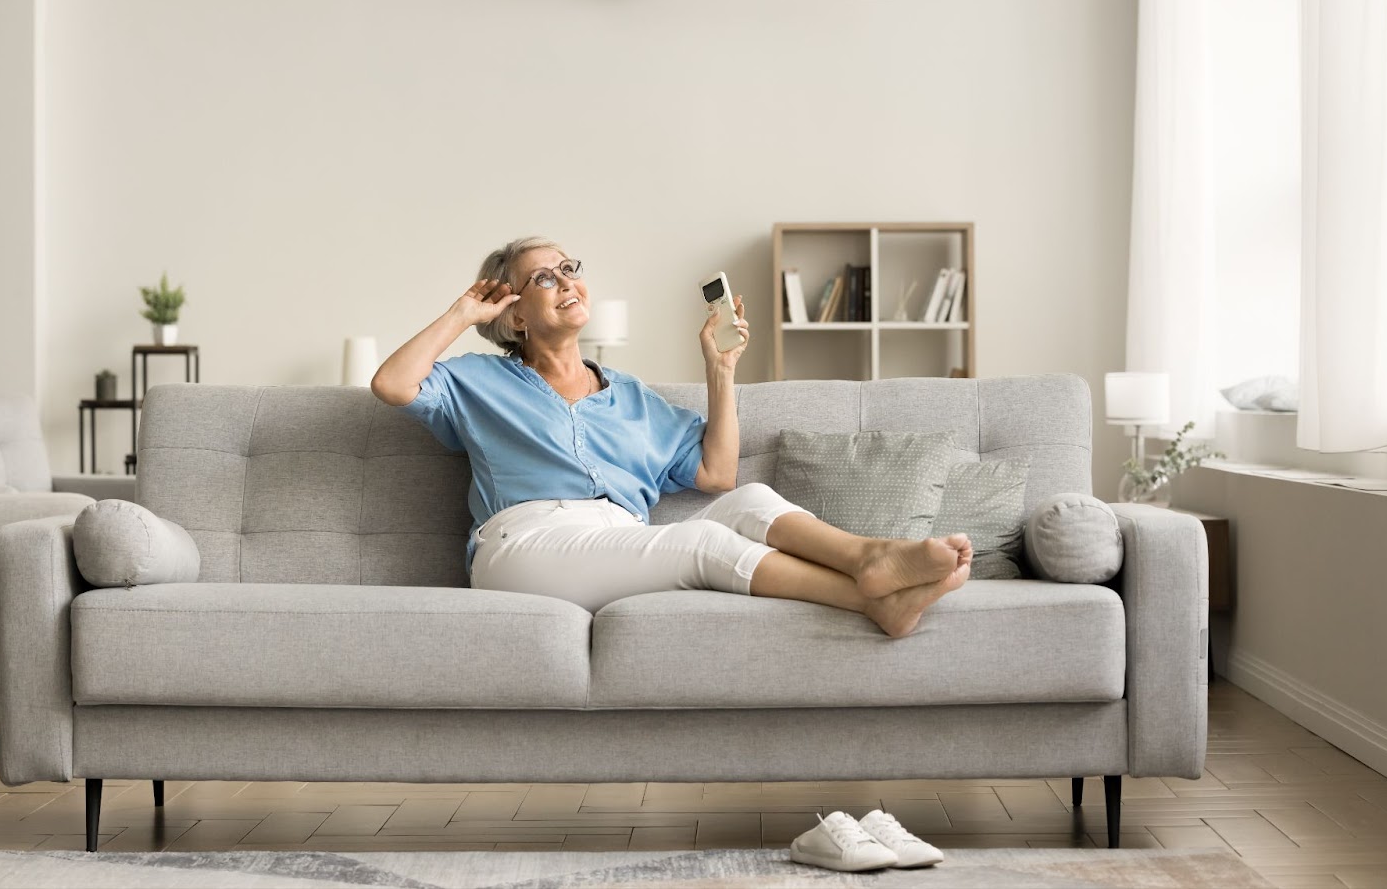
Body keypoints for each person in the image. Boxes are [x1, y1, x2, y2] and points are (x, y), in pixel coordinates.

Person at [370, 236, 971, 637]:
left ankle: (868, 558)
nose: (568, 281)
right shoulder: (476, 380)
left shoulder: (630, 396)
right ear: (515, 313)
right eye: (545, 279)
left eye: (570, 269)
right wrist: (461, 314)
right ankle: (869, 596)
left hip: (618, 539)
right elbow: (392, 385)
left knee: (750, 502)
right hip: (523, 547)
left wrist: (721, 369)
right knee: (702, 544)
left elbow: (717, 475)